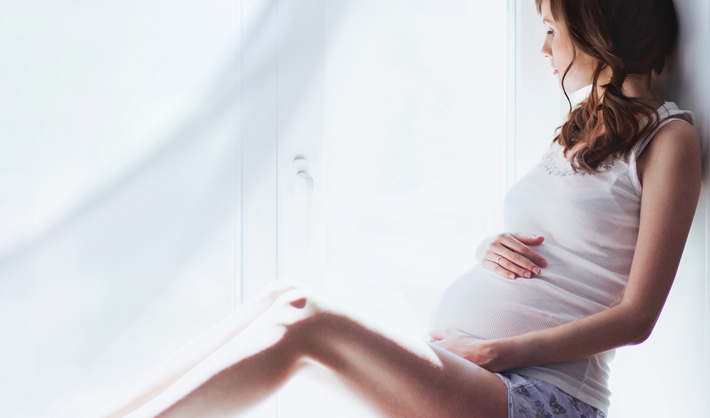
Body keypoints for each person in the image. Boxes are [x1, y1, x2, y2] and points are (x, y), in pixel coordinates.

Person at [95, 0, 701, 417]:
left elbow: (637, 317)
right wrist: (488, 249)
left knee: (304, 318)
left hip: (541, 398)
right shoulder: (579, 131)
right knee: (281, 297)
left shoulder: (669, 139)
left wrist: (497, 350)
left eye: (551, 26)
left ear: (599, 24)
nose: (543, 47)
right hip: (490, 377)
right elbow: (565, 249)